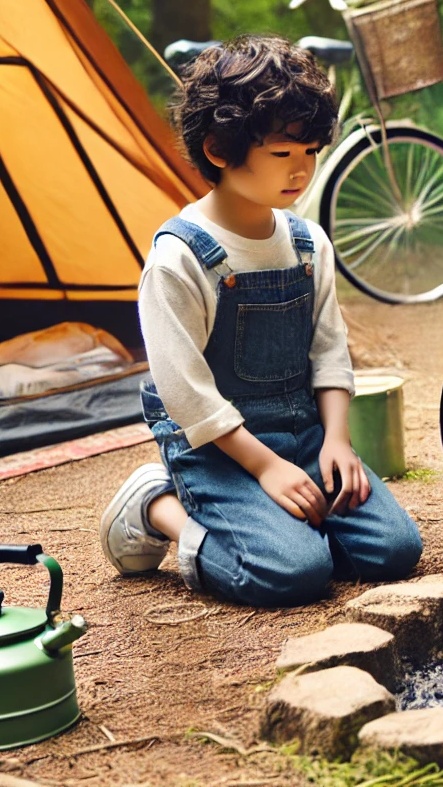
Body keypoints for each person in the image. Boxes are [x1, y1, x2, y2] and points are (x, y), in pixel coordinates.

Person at [98, 36, 422, 606]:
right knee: (293, 574)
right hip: (218, 449)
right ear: (220, 148)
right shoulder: (179, 258)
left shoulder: (306, 242)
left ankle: (288, 526)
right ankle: (159, 508)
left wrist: (338, 442)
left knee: (394, 551)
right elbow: (185, 393)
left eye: (312, 152)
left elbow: (329, 350)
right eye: (282, 154)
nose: (302, 170)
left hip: (304, 435)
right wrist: (265, 468)